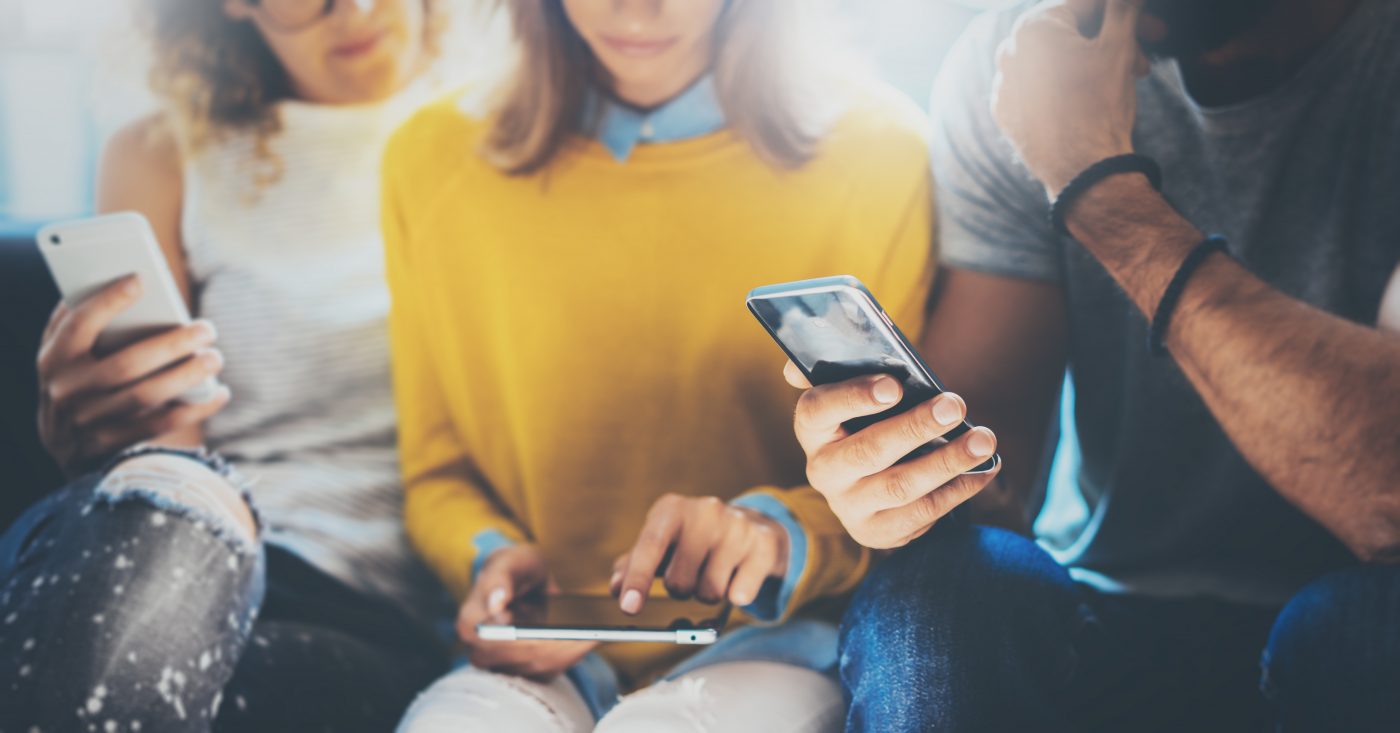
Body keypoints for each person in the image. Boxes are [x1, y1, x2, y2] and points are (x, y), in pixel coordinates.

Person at [784, 0, 1400, 730]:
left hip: (1358, 604)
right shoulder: (1019, 62)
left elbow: (1386, 498)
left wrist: (1096, 184)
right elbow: (997, 488)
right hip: (1112, 604)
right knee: (940, 595)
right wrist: (901, 483)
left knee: (1363, 627)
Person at [382, 0, 941, 730]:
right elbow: (436, 470)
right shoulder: (428, 159)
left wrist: (771, 535)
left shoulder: (881, 152)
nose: (634, 9)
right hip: (540, 653)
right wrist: (488, 555)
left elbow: (908, 474)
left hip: (770, 645)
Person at [0, 0, 463, 729]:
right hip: (178, 534)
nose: (358, 11)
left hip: (363, 611)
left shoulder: (504, 132)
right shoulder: (163, 153)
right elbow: (168, 450)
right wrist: (103, 446)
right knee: (162, 512)